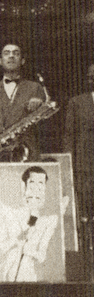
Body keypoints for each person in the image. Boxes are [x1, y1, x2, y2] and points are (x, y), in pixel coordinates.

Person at [0, 44, 45, 161]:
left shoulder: (35, 88)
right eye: (6, 53)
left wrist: (40, 106)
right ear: (0, 61)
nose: (11, 56)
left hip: (26, 154)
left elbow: (45, 128)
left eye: (16, 53)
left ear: (22, 61)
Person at [0, 166, 61, 282]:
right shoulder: (12, 214)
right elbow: (4, 246)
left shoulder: (48, 221)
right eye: (32, 184)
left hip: (29, 277)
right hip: (9, 276)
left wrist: (27, 250)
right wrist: (17, 240)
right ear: (24, 187)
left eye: (40, 185)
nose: (36, 189)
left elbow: (42, 256)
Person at [63, 64, 94, 226]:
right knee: (85, 214)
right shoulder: (77, 103)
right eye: (92, 76)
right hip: (85, 168)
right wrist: (69, 166)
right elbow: (69, 136)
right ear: (89, 80)